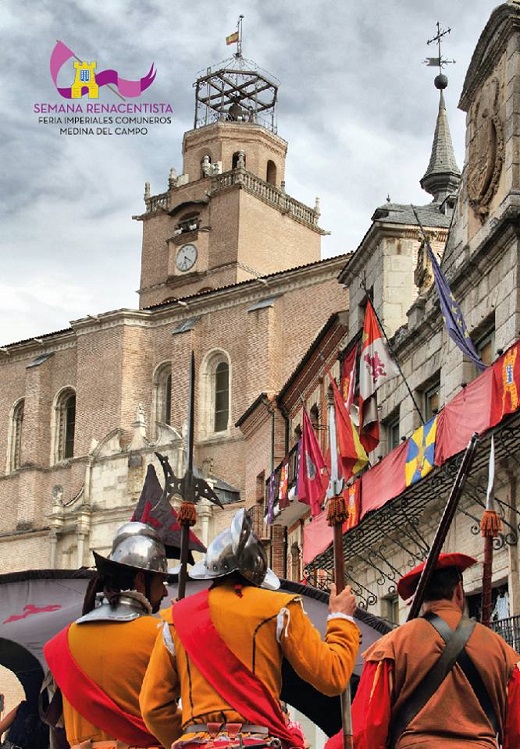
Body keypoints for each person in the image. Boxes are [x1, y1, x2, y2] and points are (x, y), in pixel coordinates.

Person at [139, 508, 360, 749]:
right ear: (258, 575)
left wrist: (190, 739)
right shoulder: (280, 608)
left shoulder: (176, 618)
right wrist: (341, 619)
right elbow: (332, 677)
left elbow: (153, 707)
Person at [351, 552, 520, 749]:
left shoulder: (389, 648)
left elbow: (367, 731)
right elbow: (517, 732)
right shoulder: (503, 653)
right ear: (458, 592)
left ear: (417, 601)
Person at [43, 522, 182, 749]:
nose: (165, 591)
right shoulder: (162, 633)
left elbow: (57, 731)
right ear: (140, 581)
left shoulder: (62, 642)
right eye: (160, 581)